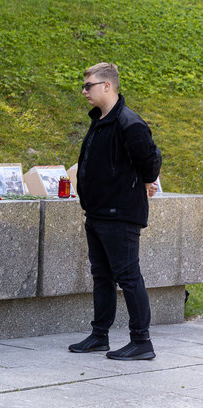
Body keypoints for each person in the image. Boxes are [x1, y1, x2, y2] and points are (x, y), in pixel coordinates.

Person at [69, 62, 162, 360]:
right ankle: (99, 336)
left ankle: (141, 341)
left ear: (107, 86)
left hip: (119, 213)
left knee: (128, 275)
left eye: (89, 86)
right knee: (102, 276)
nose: (84, 91)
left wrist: (148, 181)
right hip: (96, 213)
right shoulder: (100, 119)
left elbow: (150, 157)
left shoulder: (129, 122)